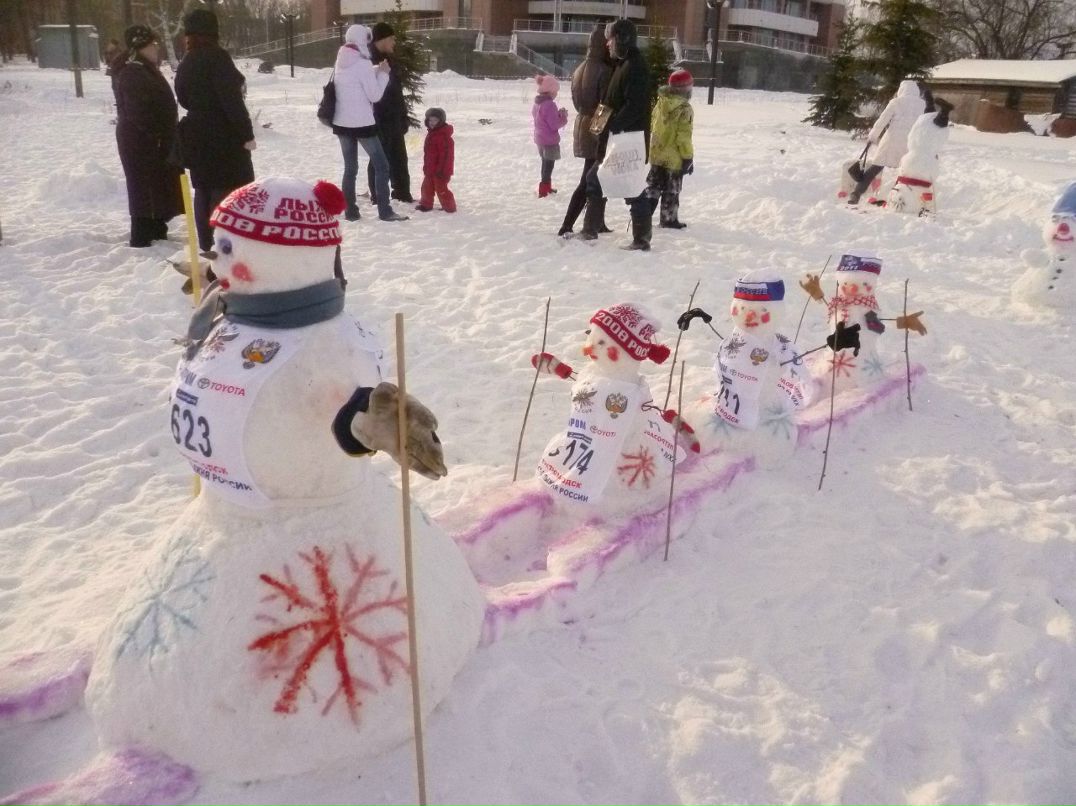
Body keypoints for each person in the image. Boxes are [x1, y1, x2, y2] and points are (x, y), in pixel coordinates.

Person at [174, 8, 256, 254]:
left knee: (203, 189)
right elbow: (231, 101)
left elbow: (183, 97)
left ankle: (206, 244)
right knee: (228, 190)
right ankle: (225, 246)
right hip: (224, 136)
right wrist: (246, 135)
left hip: (196, 135)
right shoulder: (218, 58)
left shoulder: (187, 61)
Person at [581, 19, 654, 250]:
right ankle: (590, 230)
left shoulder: (636, 67)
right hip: (618, 138)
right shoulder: (624, 64)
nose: (608, 45)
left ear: (622, 39)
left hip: (626, 141)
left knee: (631, 188)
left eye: (610, 40)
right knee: (596, 180)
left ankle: (641, 240)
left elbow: (635, 107)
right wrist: (599, 125)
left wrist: (612, 127)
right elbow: (612, 101)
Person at [112, 25, 183, 248]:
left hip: (148, 140)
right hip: (141, 142)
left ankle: (155, 229)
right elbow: (138, 110)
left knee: (155, 184)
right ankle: (143, 236)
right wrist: (159, 134)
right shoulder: (134, 71)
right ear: (142, 45)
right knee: (145, 186)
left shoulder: (143, 68)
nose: (157, 47)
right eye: (153, 44)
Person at [332, 24, 408, 223]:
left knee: (350, 168)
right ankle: (385, 211)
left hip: (342, 123)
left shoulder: (342, 59)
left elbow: (354, 80)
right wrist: (382, 73)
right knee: (382, 166)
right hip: (363, 124)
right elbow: (374, 96)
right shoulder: (363, 63)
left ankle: (350, 211)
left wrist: (374, 69)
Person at [559, 24, 613, 237]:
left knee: (594, 177)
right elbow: (605, 105)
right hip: (595, 126)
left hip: (582, 123)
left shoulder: (580, 68)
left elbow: (576, 100)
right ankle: (568, 224)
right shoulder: (604, 70)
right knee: (588, 179)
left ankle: (596, 222)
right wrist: (601, 134)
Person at [847, 79, 925, 205]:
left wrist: (873, 136)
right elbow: (923, 125)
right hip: (910, 142)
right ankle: (895, 199)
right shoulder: (922, 104)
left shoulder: (895, 102)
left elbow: (882, 121)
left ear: (901, 89)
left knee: (875, 167)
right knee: (904, 171)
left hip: (891, 140)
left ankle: (856, 194)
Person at [365, 22, 413, 204]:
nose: (394, 42)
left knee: (400, 157)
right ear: (382, 39)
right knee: (379, 159)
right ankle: (378, 196)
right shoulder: (368, 61)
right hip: (378, 120)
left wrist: (403, 115)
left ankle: (402, 193)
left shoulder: (389, 59)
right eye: (391, 39)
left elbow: (396, 91)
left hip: (394, 118)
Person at [645, 69, 694, 229]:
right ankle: (668, 219)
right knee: (672, 189)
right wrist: (688, 157)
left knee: (653, 186)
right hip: (674, 157)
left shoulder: (661, 103)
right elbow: (683, 136)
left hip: (657, 152)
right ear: (686, 88)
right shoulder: (684, 109)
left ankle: (643, 216)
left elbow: (654, 125)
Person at [532, 75, 568, 198]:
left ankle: (546, 187)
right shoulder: (549, 104)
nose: (556, 94)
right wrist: (563, 116)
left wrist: (557, 114)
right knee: (549, 165)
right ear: (550, 91)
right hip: (549, 141)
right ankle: (544, 189)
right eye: (555, 92)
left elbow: (543, 119)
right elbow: (554, 125)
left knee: (544, 163)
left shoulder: (537, 103)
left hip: (540, 139)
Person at [416, 107, 455, 213]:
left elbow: (446, 156)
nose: (432, 123)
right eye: (430, 120)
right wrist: (426, 167)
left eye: (435, 120)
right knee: (426, 187)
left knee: (441, 189)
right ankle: (426, 205)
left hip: (441, 171)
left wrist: (441, 170)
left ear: (441, 121)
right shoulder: (432, 134)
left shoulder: (444, 136)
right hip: (431, 169)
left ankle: (450, 207)